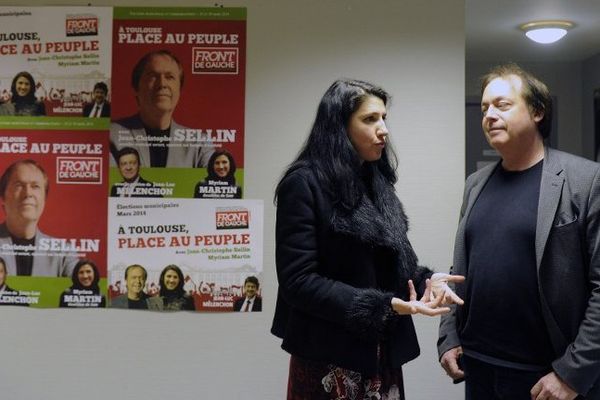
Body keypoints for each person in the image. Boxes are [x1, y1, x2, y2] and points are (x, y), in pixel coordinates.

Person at [271, 79, 465, 399]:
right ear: (339, 126)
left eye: (384, 117)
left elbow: (394, 261)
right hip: (327, 354)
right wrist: (380, 305)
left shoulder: (375, 180)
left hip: (380, 353)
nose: (384, 129)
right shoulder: (303, 182)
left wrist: (427, 280)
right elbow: (298, 281)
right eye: (370, 119)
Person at [438, 63, 600, 400]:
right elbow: (460, 270)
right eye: (484, 108)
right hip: (478, 368)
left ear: (538, 111)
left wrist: (572, 374)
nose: (489, 115)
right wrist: (449, 335)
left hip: (545, 379)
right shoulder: (475, 184)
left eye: (502, 104)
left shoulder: (586, 180)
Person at [110, 49, 213, 168]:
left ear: (179, 90)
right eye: (152, 76)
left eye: (170, 77)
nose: (162, 84)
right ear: (136, 88)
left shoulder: (200, 143)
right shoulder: (111, 135)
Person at [0, 159, 78, 277]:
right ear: (3, 198)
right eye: (18, 185)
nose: (27, 193)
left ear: (44, 199)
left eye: (35, 186)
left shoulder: (64, 253)